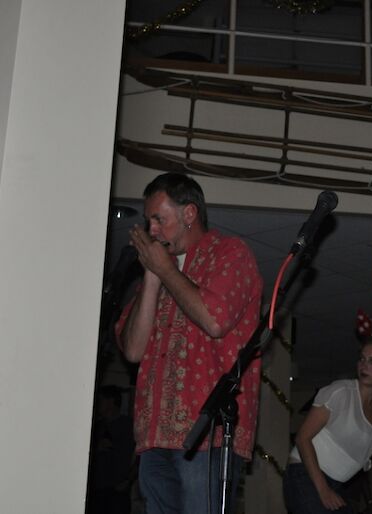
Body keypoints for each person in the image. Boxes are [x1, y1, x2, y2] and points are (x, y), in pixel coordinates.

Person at [115, 172, 263, 514]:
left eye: (159, 219)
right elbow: (133, 350)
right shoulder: (158, 271)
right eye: (148, 220)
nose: (152, 230)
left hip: (205, 437)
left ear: (189, 214)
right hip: (153, 437)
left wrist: (166, 270)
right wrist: (152, 279)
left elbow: (214, 320)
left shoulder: (230, 253)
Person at [283, 336, 372, 514]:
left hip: (337, 485)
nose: (364, 365)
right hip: (305, 475)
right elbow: (302, 438)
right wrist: (323, 490)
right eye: (362, 359)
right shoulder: (341, 392)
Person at [88, 385, 135, 514]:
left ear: (111, 401)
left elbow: (141, 456)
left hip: (118, 491)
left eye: (101, 400)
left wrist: (129, 480)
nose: (97, 404)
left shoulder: (128, 425)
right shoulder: (95, 426)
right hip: (95, 491)